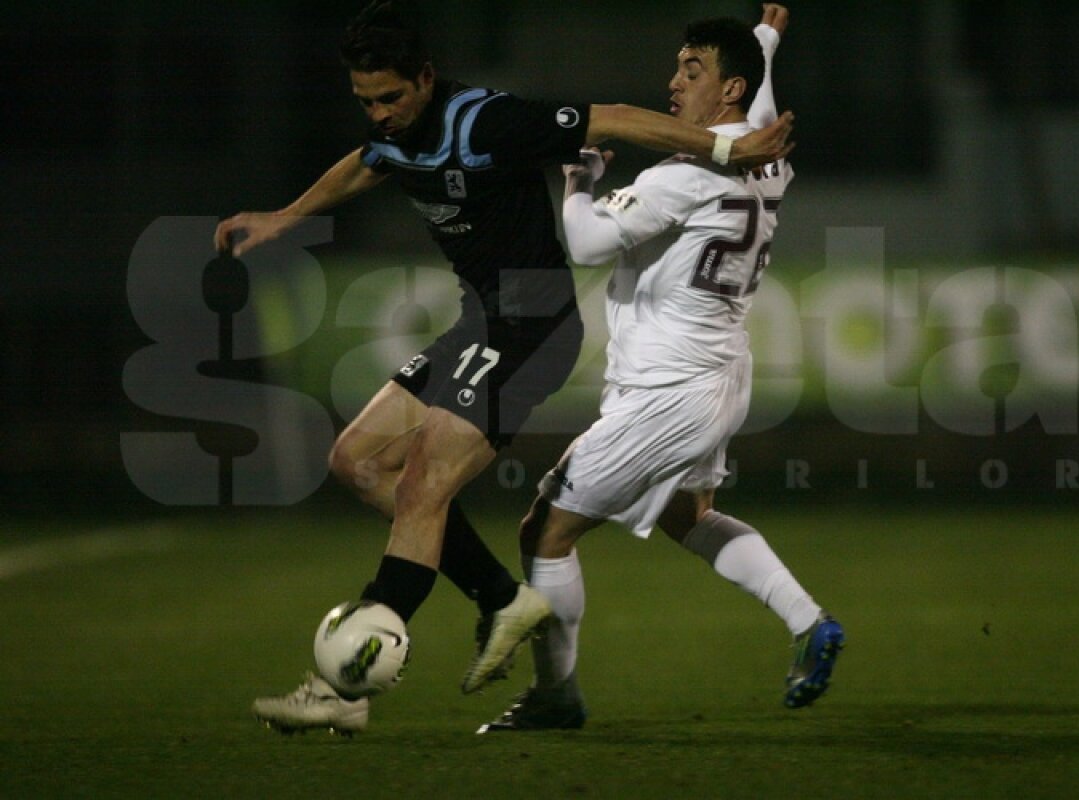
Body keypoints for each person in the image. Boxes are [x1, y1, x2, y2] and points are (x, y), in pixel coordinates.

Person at [215, 0, 794, 736]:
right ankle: (500, 597)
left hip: (532, 323)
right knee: (356, 462)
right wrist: (284, 217)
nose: (382, 113)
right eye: (366, 101)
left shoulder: (486, 120)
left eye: (392, 97)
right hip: (480, 321)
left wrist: (725, 152)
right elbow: (368, 164)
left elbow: (612, 115)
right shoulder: (395, 133)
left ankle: (344, 685)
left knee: (424, 480)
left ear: (425, 78)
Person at [477, 5, 843, 733]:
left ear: (730, 89)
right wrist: (766, 39)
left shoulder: (685, 174)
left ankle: (558, 696)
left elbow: (585, 245)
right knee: (690, 517)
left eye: (691, 69)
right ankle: (812, 622)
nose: (672, 82)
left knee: (544, 531)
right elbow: (758, 99)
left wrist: (578, 179)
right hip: (719, 374)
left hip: (667, 389)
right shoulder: (767, 152)